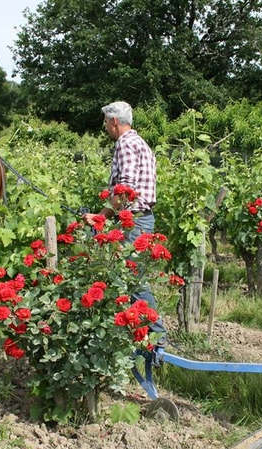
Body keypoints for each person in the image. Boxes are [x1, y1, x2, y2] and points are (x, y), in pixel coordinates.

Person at [83, 101, 167, 355]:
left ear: (114, 122)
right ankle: (140, 334)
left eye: (106, 123)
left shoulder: (126, 144)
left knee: (134, 278)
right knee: (130, 277)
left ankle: (158, 336)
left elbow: (126, 190)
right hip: (139, 218)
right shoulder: (140, 142)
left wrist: (101, 216)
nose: (106, 128)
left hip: (135, 220)